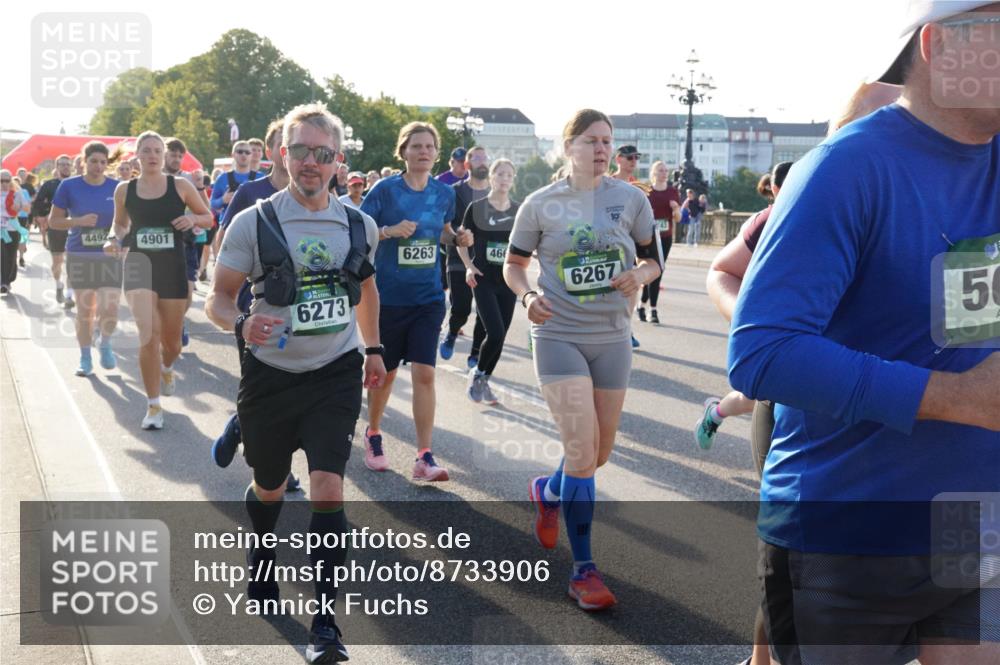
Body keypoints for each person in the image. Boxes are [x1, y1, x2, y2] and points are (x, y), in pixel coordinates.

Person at [729, 3, 1000, 664]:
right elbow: (762, 351)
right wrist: (955, 396)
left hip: (974, 520)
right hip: (847, 529)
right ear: (940, 47)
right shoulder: (845, 168)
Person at [207, 103, 385, 663]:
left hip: (335, 373)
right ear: (283, 154)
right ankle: (262, 551)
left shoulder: (360, 223)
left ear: (338, 161)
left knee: (329, 488)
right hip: (271, 374)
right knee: (270, 484)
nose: (312, 162)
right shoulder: (253, 221)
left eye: (323, 154)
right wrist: (240, 322)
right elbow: (216, 296)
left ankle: (325, 623)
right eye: (301, 151)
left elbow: (369, 290)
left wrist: (374, 349)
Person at [506, 109, 662, 611]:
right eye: (591, 140)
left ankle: (548, 491)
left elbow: (654, 259)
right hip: (558, 336)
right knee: (581, 450)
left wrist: (639, 275)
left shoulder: (631, 199)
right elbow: (513, 265)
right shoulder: (541, 204)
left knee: (598, 452)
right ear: (568, 145)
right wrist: (527, 298)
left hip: (613, 337)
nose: (601, 149)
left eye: (607, 142)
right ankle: (584, 571)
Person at [360, 121, 473, 479]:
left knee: (425, 374)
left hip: (428, 297)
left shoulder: (444, 194)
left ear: (436, 153)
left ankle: (424, 456)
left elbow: (442, 230)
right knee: (386, 375)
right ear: (403, 152)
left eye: (429, 146)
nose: (423, 152)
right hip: (389, 298)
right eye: (416, 146)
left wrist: (457, 239)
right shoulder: (385, 191)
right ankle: (374, 432)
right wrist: (389, 232)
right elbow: (359, 233)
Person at [210, 118, 301, 493]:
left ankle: (245, 429)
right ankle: (255, 442)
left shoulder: (316, 191)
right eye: (285, 141)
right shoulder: (251, 193)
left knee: (296, 386)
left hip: (303, 307)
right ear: (272, 151)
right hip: (255, 308)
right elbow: (222, 242)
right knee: (264, 387)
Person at [104, 131, 213, 430]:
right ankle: (153, 406)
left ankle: (167, 368)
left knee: (172, 343)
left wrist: (192, 219)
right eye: (147, 150)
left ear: (164, 155)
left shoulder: (180, 186)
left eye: (157, 150)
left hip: (173, 267)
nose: (152, 155)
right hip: (139, 265)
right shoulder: (125, 191)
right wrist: (112, 238)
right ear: (137, 154)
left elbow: (209, 217)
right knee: (148, 335)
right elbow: (120, 224)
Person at [698, 162, 794, 454]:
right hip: (770, 327)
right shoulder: (764, 221)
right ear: (775, 190)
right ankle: (714, 415)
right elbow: (724, 270)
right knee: (755, 394)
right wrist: (751, 319)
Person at [48, 142, 122, 376]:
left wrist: (119, 240)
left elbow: (126, 221)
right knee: (85, 310)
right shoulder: (69, 186)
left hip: (109, 256)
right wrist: (77, 221)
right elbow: (53, 221)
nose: (98, 166)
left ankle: (106, 343)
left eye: (102, 162)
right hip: (80, 254)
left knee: (110, 308)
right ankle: (85, 357)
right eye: (93, 161)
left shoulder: (118, 187)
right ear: (84, 161)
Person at [458, 158, 519, 405]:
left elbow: (525, 245)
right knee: (494, 332)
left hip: (508, 281)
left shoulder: (519, 210)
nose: (504, 179)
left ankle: (483, 378)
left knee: (501, 335)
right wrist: (468, 267)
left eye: (509, 175)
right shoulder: (476, 207)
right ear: (492, 177)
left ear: (513, 180)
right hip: (483, 278)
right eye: (500, 174)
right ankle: (479, 375)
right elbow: (462, 241)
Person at [439, 146, 488, 367]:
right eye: (477, 158)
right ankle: (451, 332)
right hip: (459, 256)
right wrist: (459, 233)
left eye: (485, 158)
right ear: (467, 165)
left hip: (486, 259)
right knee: (461, 307)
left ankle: (476, 352)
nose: (482, 162)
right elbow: (445, 223)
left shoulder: (495, 193)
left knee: (487, 310)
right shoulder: (453, 191)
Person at [611, 144, 646, 349]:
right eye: (629, 158)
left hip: (629, 244)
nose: (633, 161)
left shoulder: (637, 188)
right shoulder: (606, 183)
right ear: (618, 160)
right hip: (608, 244)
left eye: (636, 158)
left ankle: (626, 329)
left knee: (631, 287)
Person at [637, 161, 680, 325]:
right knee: (651, 272)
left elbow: (678, 218)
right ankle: (651, 310)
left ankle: (645, 306)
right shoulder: (647, 192)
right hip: (648, 237)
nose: (664, 173)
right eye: (661, 170)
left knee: (658, 272)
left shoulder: (672, 192)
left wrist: (676, 209)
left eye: (666, 171)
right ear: (653, 173)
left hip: (666, 237)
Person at [33, 155, 73, 304]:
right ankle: (59, 285)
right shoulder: (49, 185)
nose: (65, 167)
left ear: (72, 167)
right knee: (57, 261)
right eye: (62, 164)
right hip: (55, 226)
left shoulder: (78, 184)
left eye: (68, 164)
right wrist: (41, 217)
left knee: (72, 261)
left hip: (75, 226)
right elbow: (37, 202)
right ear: (56, 167)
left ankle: (69, 295)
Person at [1, 170, 27, 294]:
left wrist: (19, 207)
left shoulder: (17, 193)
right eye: (1, 181)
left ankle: (8, 280)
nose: (4, 183)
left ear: (11, 181)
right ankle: (3, 282)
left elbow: (27, 207)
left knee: (11, 256)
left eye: (7, 180)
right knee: (2, 255)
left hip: (12, 228)